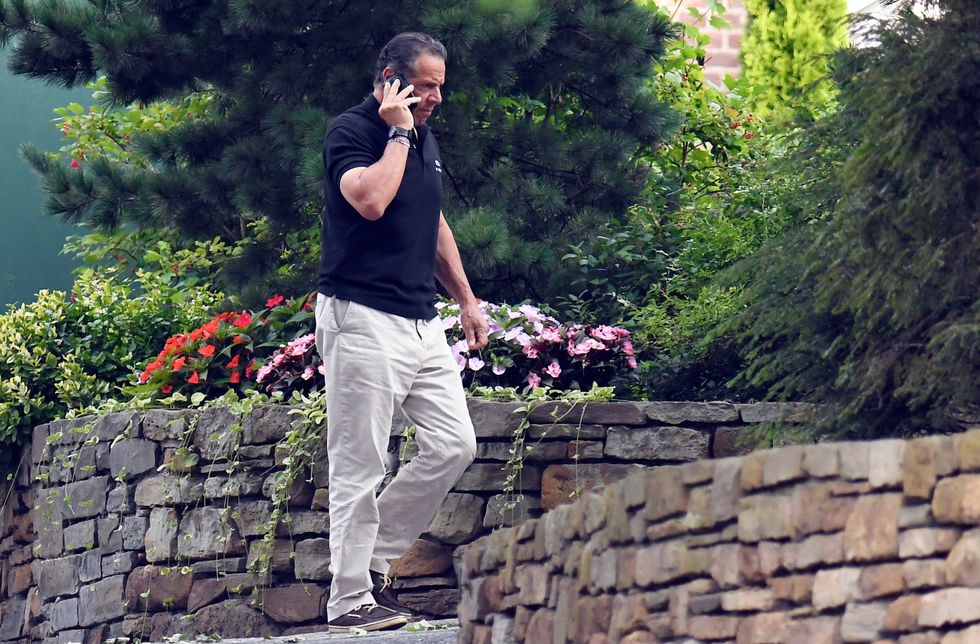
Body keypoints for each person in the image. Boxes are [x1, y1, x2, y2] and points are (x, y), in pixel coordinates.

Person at [314, 32, 489, 633]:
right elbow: (369, 199)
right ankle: (348, 599)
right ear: (392, 79)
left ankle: (372, 565)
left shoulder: (423, 136)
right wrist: (397, 131)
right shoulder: (354, 131)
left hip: (420, 320)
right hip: (360, 317)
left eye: (441, 85)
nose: (439, 96)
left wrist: (465, 299)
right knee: (360, 463)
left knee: (453, 445)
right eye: (427, 85)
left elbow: (430, 216)